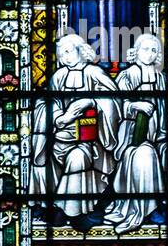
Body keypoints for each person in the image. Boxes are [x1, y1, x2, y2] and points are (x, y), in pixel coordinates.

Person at [105, 32, 168, 234]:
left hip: (163, 137)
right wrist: (133, 106)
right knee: (146, 155)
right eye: (145, 49)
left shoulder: (164, 80)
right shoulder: (126, 77)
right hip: (132, 140)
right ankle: (147, 210)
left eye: (154, 50)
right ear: (136, 52)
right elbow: (114, 108)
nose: (149, 54)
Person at [30, 33, 119, 226]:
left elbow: (114, 101)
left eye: (68, 52)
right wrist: (59, 116)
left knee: (77, 158)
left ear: (81, 51)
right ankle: (54, 207)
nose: (65, 57)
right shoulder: (59, 76)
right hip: (60, 137)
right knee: (47, 156)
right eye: (61, 54)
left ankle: (74, 212)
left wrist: (91, 101)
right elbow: (48, 102)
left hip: (90, 141)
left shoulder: (94, 73)